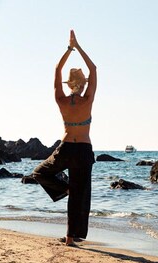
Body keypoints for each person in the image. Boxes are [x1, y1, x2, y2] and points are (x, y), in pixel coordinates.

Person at [32, 30, 97, 246]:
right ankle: (71, 236)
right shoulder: (87, 100)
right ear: (83, 84)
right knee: (79, 195)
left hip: (66, 148)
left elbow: (57, 69)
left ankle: (69, 234)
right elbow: (94, 68)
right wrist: (78, 46)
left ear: (69, 85)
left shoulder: (60, 99)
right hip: (83, 151)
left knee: (39, 173)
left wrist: (69, 49)